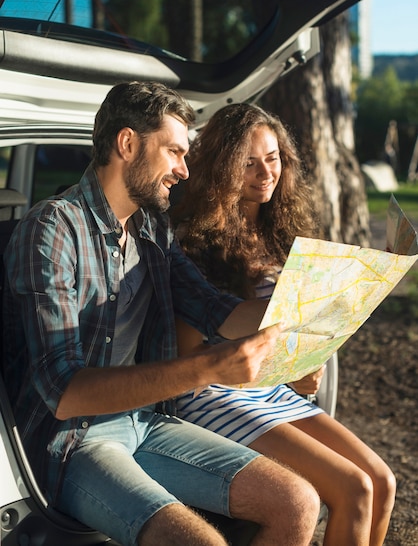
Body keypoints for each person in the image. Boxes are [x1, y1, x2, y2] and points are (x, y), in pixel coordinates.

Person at [2, 82, 321, 546]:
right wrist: (210, 366)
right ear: (128, 144)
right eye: (174, 152)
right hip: (72, 442)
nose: (184, 170)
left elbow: (219, 311)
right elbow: (63, 391)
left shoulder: (152, 229)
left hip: (145, 423)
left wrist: (332, 300)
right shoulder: (52, 230)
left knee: (297, 502)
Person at [172, 102, 397, 546]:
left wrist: (303, 367)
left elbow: (291, 330)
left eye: (272, 158)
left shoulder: (281, 229)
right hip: (216, 395)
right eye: (249, 162)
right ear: (221, 166)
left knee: (381, 482)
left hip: (272, 390)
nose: (265, 172)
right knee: (353, 488)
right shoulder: (193, 239)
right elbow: (187, 358)